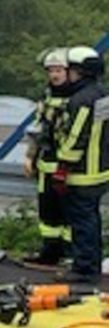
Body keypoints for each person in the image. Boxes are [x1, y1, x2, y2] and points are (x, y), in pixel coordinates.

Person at [53, 45, 108, 284]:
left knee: (82, 220)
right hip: (101, 170)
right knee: (92, 219)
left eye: (72, 70)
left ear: (81, 72)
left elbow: (76, 138)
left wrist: (63, 168)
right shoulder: (102, 96)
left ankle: (84, 268)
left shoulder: (81, 100)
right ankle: (91, 262)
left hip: (82, 172)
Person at [22, 47, 72, 267]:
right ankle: (50, 253)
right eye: (51, 70)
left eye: (59, 70)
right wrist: (29, 157)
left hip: (69, 166)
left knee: (69, 213)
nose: (54, 75)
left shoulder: (79, 99)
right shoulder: (47, 97)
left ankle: (70, 254)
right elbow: (38, 129)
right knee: (48, 212)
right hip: (46, 165)